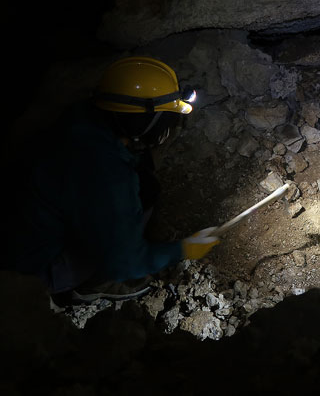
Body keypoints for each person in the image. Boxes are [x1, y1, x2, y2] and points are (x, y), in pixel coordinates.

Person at [3, 56, 220, 303]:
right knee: (121, 242)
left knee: (145, 182)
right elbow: (124, 261)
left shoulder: (83, 119)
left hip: (26, 229)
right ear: (142, 122)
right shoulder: (108, 177)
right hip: (33, 270)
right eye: (164, 118)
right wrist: (182, 250)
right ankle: (94, 283)